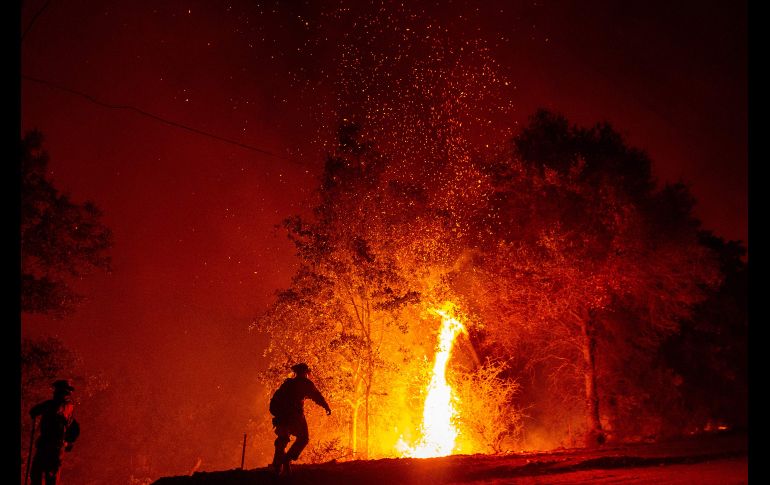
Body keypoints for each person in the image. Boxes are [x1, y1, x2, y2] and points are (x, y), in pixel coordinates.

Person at [270, 363, 331, 475]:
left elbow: (276, 399)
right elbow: (317, 396)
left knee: (282, 440)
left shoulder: (287, 384)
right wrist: (326, 406)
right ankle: (286, 460)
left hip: (281, 416)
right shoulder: (305, 383)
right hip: (295, 416)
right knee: (303, 438)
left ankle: (278, 467)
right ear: (305, 372)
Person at [28, 379, 80, 485]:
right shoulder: (65, 406)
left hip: (54, 448)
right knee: (37, 473)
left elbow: (43, 410)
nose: (54, 392)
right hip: (47, 446)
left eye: (57, 390)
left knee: (49, 476)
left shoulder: (62, 406)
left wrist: (68, 442)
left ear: (64, 392)